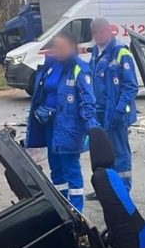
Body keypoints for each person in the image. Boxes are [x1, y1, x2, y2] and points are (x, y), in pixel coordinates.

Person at [26, 31, 99, 211]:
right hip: (49, 126)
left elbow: (87, 101)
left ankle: (76, 209)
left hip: (69, 128)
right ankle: (61, 205)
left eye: (61, 47)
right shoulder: (50, 66)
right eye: (55, 46)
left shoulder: (79, 69)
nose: (57, 50)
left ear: (72, 48)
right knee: (56, 169)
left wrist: (93, 128)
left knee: (70, 169)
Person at [89, 18, 138, 189]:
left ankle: (123, 190)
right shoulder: (95, 52)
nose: (99, 35)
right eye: (96, 32)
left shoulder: (120, 52)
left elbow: (131, 86)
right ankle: (106, 188)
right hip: (98, 113)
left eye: (102, 31)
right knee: (101, 154)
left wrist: (120, 111)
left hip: (116, 113)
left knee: (120, 153)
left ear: (110, 31)